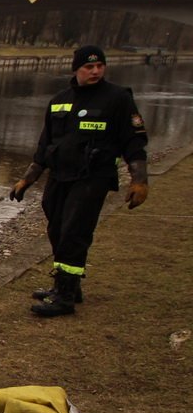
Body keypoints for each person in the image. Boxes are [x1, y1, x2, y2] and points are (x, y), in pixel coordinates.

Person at [10, 45, 148, 317]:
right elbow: (45, 144)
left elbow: (134, 141)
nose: (95, 71)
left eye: (99, 66)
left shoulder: (117, 99)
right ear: (76, 69)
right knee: (57, 228)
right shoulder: (60, 100)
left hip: (92, 177)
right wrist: (27, 179)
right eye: (88, 67)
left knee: (74, 231)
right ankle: (68, 285)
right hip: (60, 176)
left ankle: (64, 298)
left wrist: (139, 180)